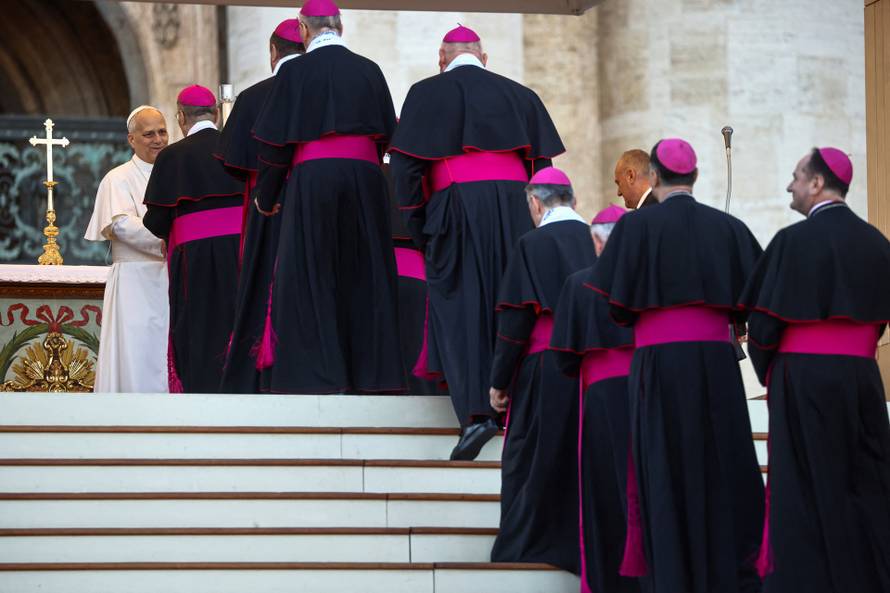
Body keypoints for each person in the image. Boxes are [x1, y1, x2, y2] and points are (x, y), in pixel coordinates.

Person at [585, 138, 765, 593]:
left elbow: (616, 307)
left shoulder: (634, 228)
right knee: (722, 467)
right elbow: (753, 302)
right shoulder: (729, 228)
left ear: (656, 177)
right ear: (696, 177)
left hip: (657, 370)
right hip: (717, 368)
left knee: (662, 474)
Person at [390, 25, 565, 459]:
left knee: (463, 306)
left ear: (442, 57)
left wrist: (419, 227)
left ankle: (477, 416)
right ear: (483, 57)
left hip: (455, 210)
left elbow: (406, 173)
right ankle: (522, 404)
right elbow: (542, 171)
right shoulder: (521, 95)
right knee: (513, 301)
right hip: (518, 213)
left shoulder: (424, 93)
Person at [739, 147, 890, 593]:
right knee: (865, 480)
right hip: (861, 378)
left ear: (818, 183)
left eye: (796, 177)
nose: (790, 185)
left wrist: (773, 373)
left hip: (803, 380)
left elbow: (763, 327)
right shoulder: (877, 242)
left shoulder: (791, 241)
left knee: (800, 487)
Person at [250, 0, 403, 394]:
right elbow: (388, 135)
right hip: (366, 180)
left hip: (312, 180)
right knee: (364, 271)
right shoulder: (369, 69)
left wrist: (266, 199)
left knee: (312, 274)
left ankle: (320, 377)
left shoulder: (295, 71)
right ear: (341, 26)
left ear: (303, 29)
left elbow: (276, 147)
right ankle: (371, 377)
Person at [487, 167, 593, 574]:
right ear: (575, 199)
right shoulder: (598, 240)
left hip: (545, 367)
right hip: (593, 368)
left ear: (535, 202)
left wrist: (499, 381)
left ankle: (529, 546)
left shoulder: (531, 243)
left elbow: (515, 325)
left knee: (532, 456)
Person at [550, 204, 639, 593]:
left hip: (601, 398)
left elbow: (565, 356)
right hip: (646, 392)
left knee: (605, 490)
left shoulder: (579, 283)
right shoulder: (647, 283)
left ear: (596, 239)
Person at [217, 19, 305, 393]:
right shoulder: (316, 90)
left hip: (265, 211)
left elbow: (232, 163)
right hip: (308, 208)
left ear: (272, 53)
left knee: (263, 283)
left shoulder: (253, 98)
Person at [143, 85, 243, 392]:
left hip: (193, 260)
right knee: (236, 319)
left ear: (181, 118)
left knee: (198, 326)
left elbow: (156, 220)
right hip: (240, 253)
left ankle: (202, 397)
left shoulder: (172, 156)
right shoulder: (238, 146)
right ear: (215, 113)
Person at [84, 106, 170, 393]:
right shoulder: (117, 178)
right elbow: (121, 224)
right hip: (135, 285)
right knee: (135, 355)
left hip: (170, 278)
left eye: (162, 131)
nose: (158, 139)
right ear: (131, 139)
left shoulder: (176, 171)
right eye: (148, 134)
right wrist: (170, 239)